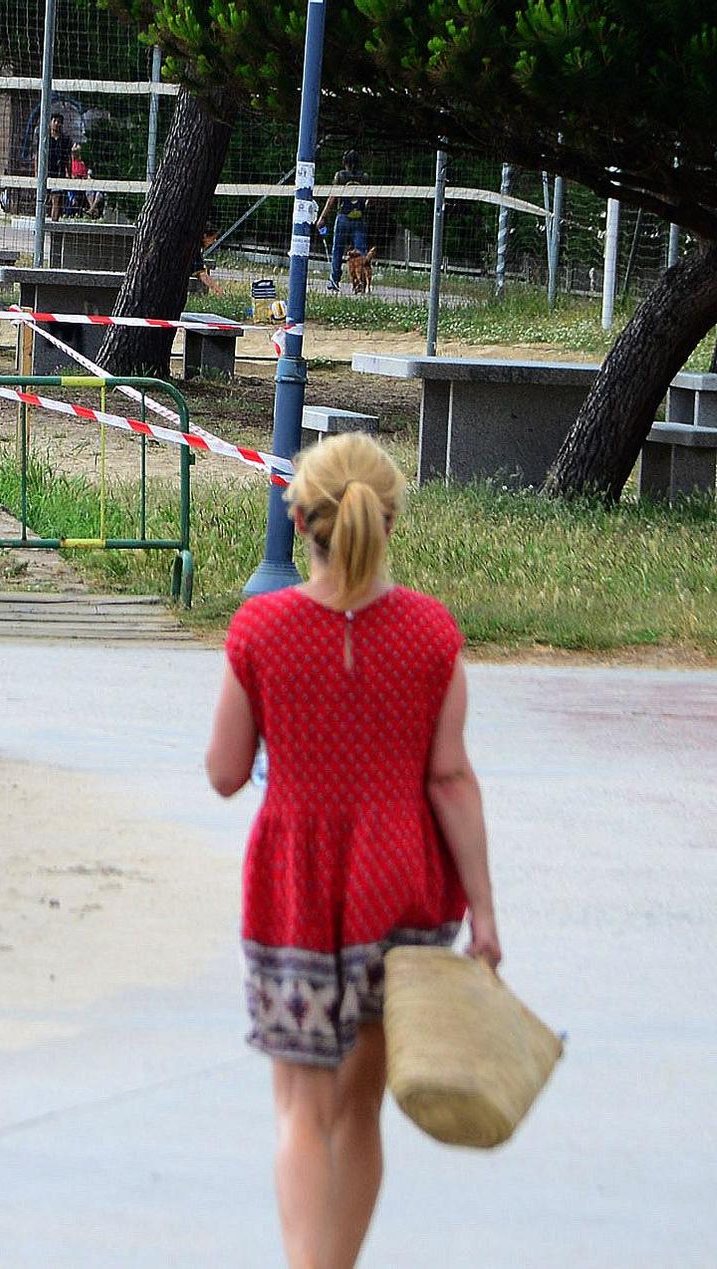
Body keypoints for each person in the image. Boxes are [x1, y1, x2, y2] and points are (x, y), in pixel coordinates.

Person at [206, 433, 500, 1269]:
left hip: (294, 889)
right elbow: (451, 779)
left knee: (299, 1109)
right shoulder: (432, 633)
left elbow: (226, 773)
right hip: (399, 891)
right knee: (359, 1110)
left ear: (300, 520)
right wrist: (483, 913)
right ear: (390, 520)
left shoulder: (261, 628)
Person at [317, 149, 369, 293]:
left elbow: (333, 197)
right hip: (359, 217)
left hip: (343, 217)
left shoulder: (340, 176)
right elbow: (369, 198)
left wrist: (323, 217)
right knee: (361, 252)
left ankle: (334, 280)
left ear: (345, 162)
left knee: (337, 250)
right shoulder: (364, 177)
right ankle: (361, 282)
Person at [43, 112, 72, 221]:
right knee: (44, 200)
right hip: (45, 173)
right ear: (50, 123)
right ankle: (41, 224)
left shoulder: (65, 140)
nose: (57, 124)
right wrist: (37, 173)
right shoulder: (44, 138)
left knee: (57, 199)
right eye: (55, 121)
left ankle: (54, 226)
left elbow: (68, 158)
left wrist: (69, 174)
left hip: (59, 174)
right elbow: (38, 156)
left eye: (59, 122)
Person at [188, 227, 221, 295]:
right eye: (213, 238)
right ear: (205, 235)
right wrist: (217, 290)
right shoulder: (195, 250)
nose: (214, 241)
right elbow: (202, 275)